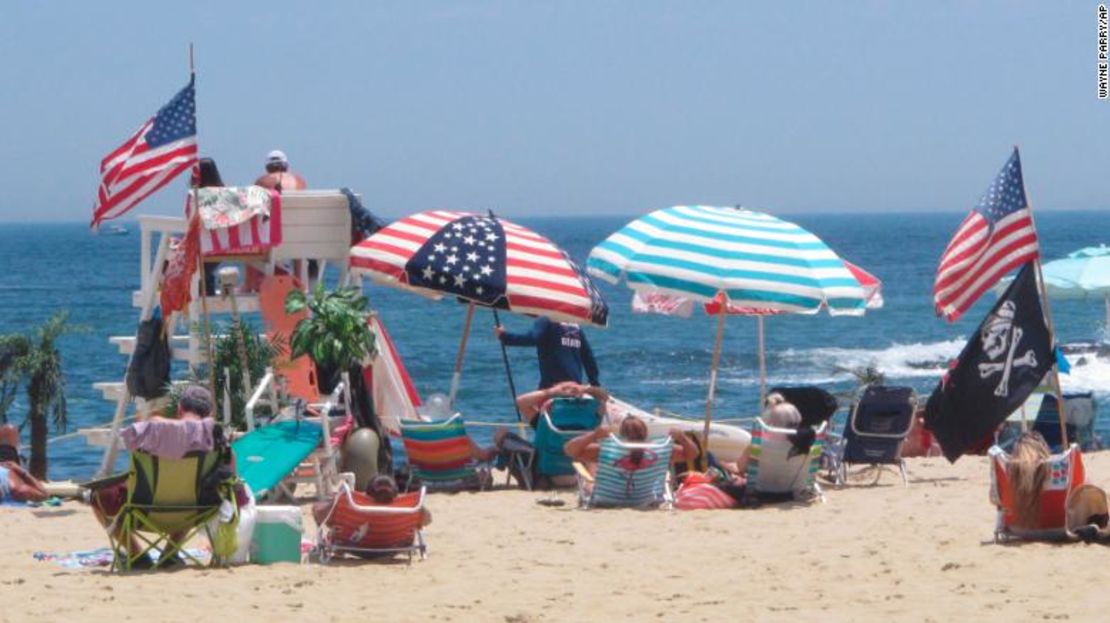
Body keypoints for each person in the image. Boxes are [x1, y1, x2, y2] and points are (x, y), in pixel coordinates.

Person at [90, 385, 233, 569]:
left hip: (142, 512)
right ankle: (170, 554)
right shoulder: (215, 435)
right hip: (193, 512)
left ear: (180, 408)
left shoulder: (153, 428)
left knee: (97, 495)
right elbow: (230, 474)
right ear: (209, 413)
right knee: (195, 488)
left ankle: (137, 555)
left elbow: (130, 441)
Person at [495, 317, 599, 390]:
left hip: (553, 387)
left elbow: (532, 338)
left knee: (523, 403)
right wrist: (594, 383)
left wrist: (505, 336)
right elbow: (588, 358)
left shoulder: (546, 319)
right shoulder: (575, 325)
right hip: (576, 387)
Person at [515, 381, 609, 427]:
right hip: (579, 463)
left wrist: (551, 391)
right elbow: (604, 396)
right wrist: (582, 389)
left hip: (546, 463)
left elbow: (520, 401)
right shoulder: (591, 421)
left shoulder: (547, 424)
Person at [1008, 431, 1051, 529]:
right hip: (1055, 526)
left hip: (1017, 529)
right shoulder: (1053, 471)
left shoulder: (1008, 473)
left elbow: (994, 500)